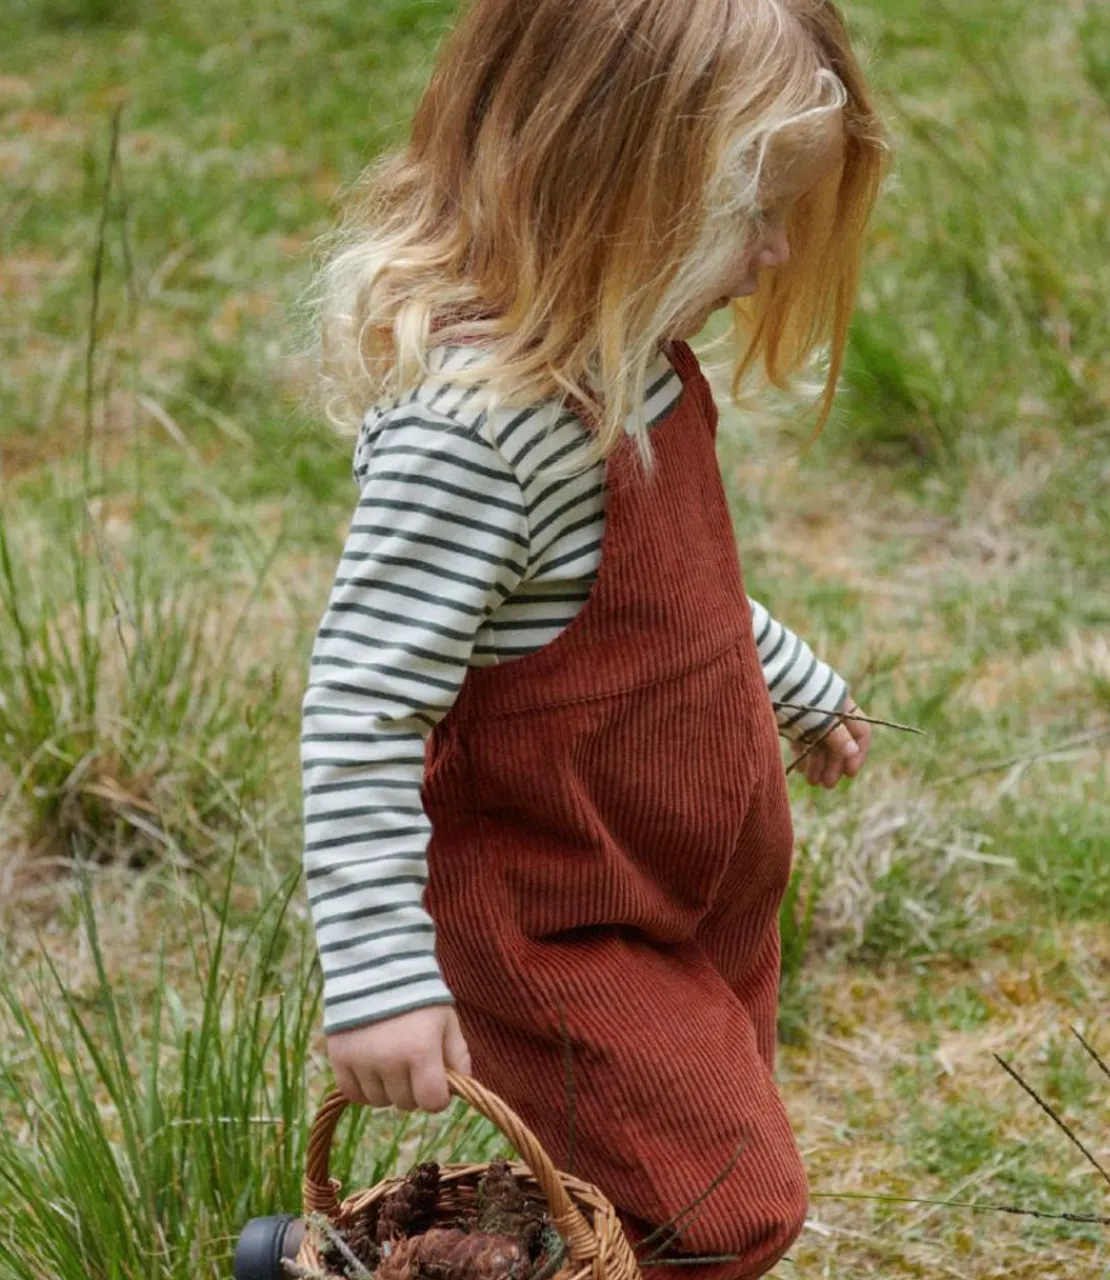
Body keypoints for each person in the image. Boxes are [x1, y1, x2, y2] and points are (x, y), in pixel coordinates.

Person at [302, 2, 885, 1275]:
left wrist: (785, 678)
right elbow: (361, 704)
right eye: (750, 210)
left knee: (658, 1181)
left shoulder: (640, 362)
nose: (777, 248)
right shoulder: (474, 434)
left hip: (681, 883)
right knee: (718, 1205)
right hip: (556, 917)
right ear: (611, 195)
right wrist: (380, 972)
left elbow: (658, 592)